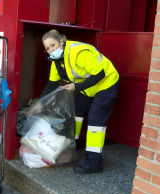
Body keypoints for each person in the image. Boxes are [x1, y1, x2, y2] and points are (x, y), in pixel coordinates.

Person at [28, 29, 119, 174]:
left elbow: (100, 73)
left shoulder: (78, 52)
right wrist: (40, 103)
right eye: (47, 48)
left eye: (53, 45)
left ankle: (94, 163)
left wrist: (76, 86)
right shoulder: (57, 61)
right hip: (88, 88)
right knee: (75, 115)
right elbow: (52, 83)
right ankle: (71, 149)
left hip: (106, 84)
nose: (51, 50)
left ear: (61, 42)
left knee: (95, 122)